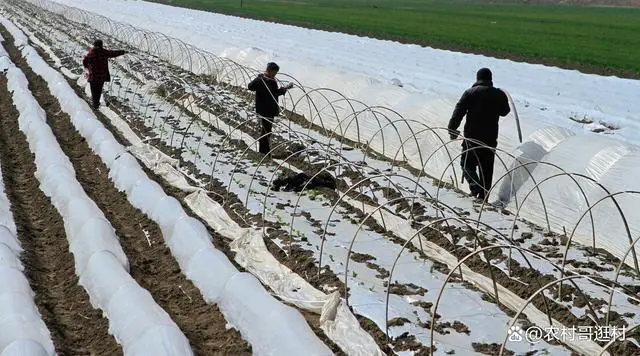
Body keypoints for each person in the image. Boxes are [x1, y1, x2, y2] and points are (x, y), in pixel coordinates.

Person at [448, 67, 511, 201]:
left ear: (477, 79)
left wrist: (452, 129)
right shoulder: (498, 94)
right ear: (490, 79)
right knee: (486, 171)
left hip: (472, 138)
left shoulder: (470, 93)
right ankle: (483, 199)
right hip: (490, 139)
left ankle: (475, 187)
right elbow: (505, 111)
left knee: (466, 165)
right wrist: (502, 97)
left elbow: (458, 112)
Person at [247, 62, 294, 155]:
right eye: (274, 72)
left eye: (276, 73)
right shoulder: (262, 80)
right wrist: (258, 78)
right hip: (265, 109)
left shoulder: (271, 80)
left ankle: (265, 151)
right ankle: (263, 152)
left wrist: (286, 88)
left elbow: (275, 92)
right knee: (265, 131)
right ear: (269, 71)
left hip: (270, 109)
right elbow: (250, 87)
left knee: (267, 131)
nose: (275, 74)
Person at [82, 39, 127, 109]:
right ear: (101, 45)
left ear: (94, 45)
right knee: (99, 89)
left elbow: (85, 61)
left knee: (93, 90)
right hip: (101, 75)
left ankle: (95, 104)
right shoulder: (104, 52)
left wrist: (88, 68)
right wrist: (123, 52)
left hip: (93, 75)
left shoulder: (91, 53)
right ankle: (96, 104)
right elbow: (113, 53)